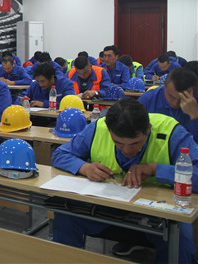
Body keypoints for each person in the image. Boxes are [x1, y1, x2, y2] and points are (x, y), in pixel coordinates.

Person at [51, 98, 197, 264]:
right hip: (107, 207)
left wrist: (155, 169)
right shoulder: (99, 128)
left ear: (148, 129)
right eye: (118, 143)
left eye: (135, 143)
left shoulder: (171, 132)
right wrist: (84, 167)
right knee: (66, 214)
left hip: (156, 215)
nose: (128, 150)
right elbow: (60, 154)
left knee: (181, 240)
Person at [139, 68, 198, 143]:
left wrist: (195, 116)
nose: (175, 104)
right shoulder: (148, 99)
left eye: (181, 99)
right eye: (171, 97)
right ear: (164, 84)